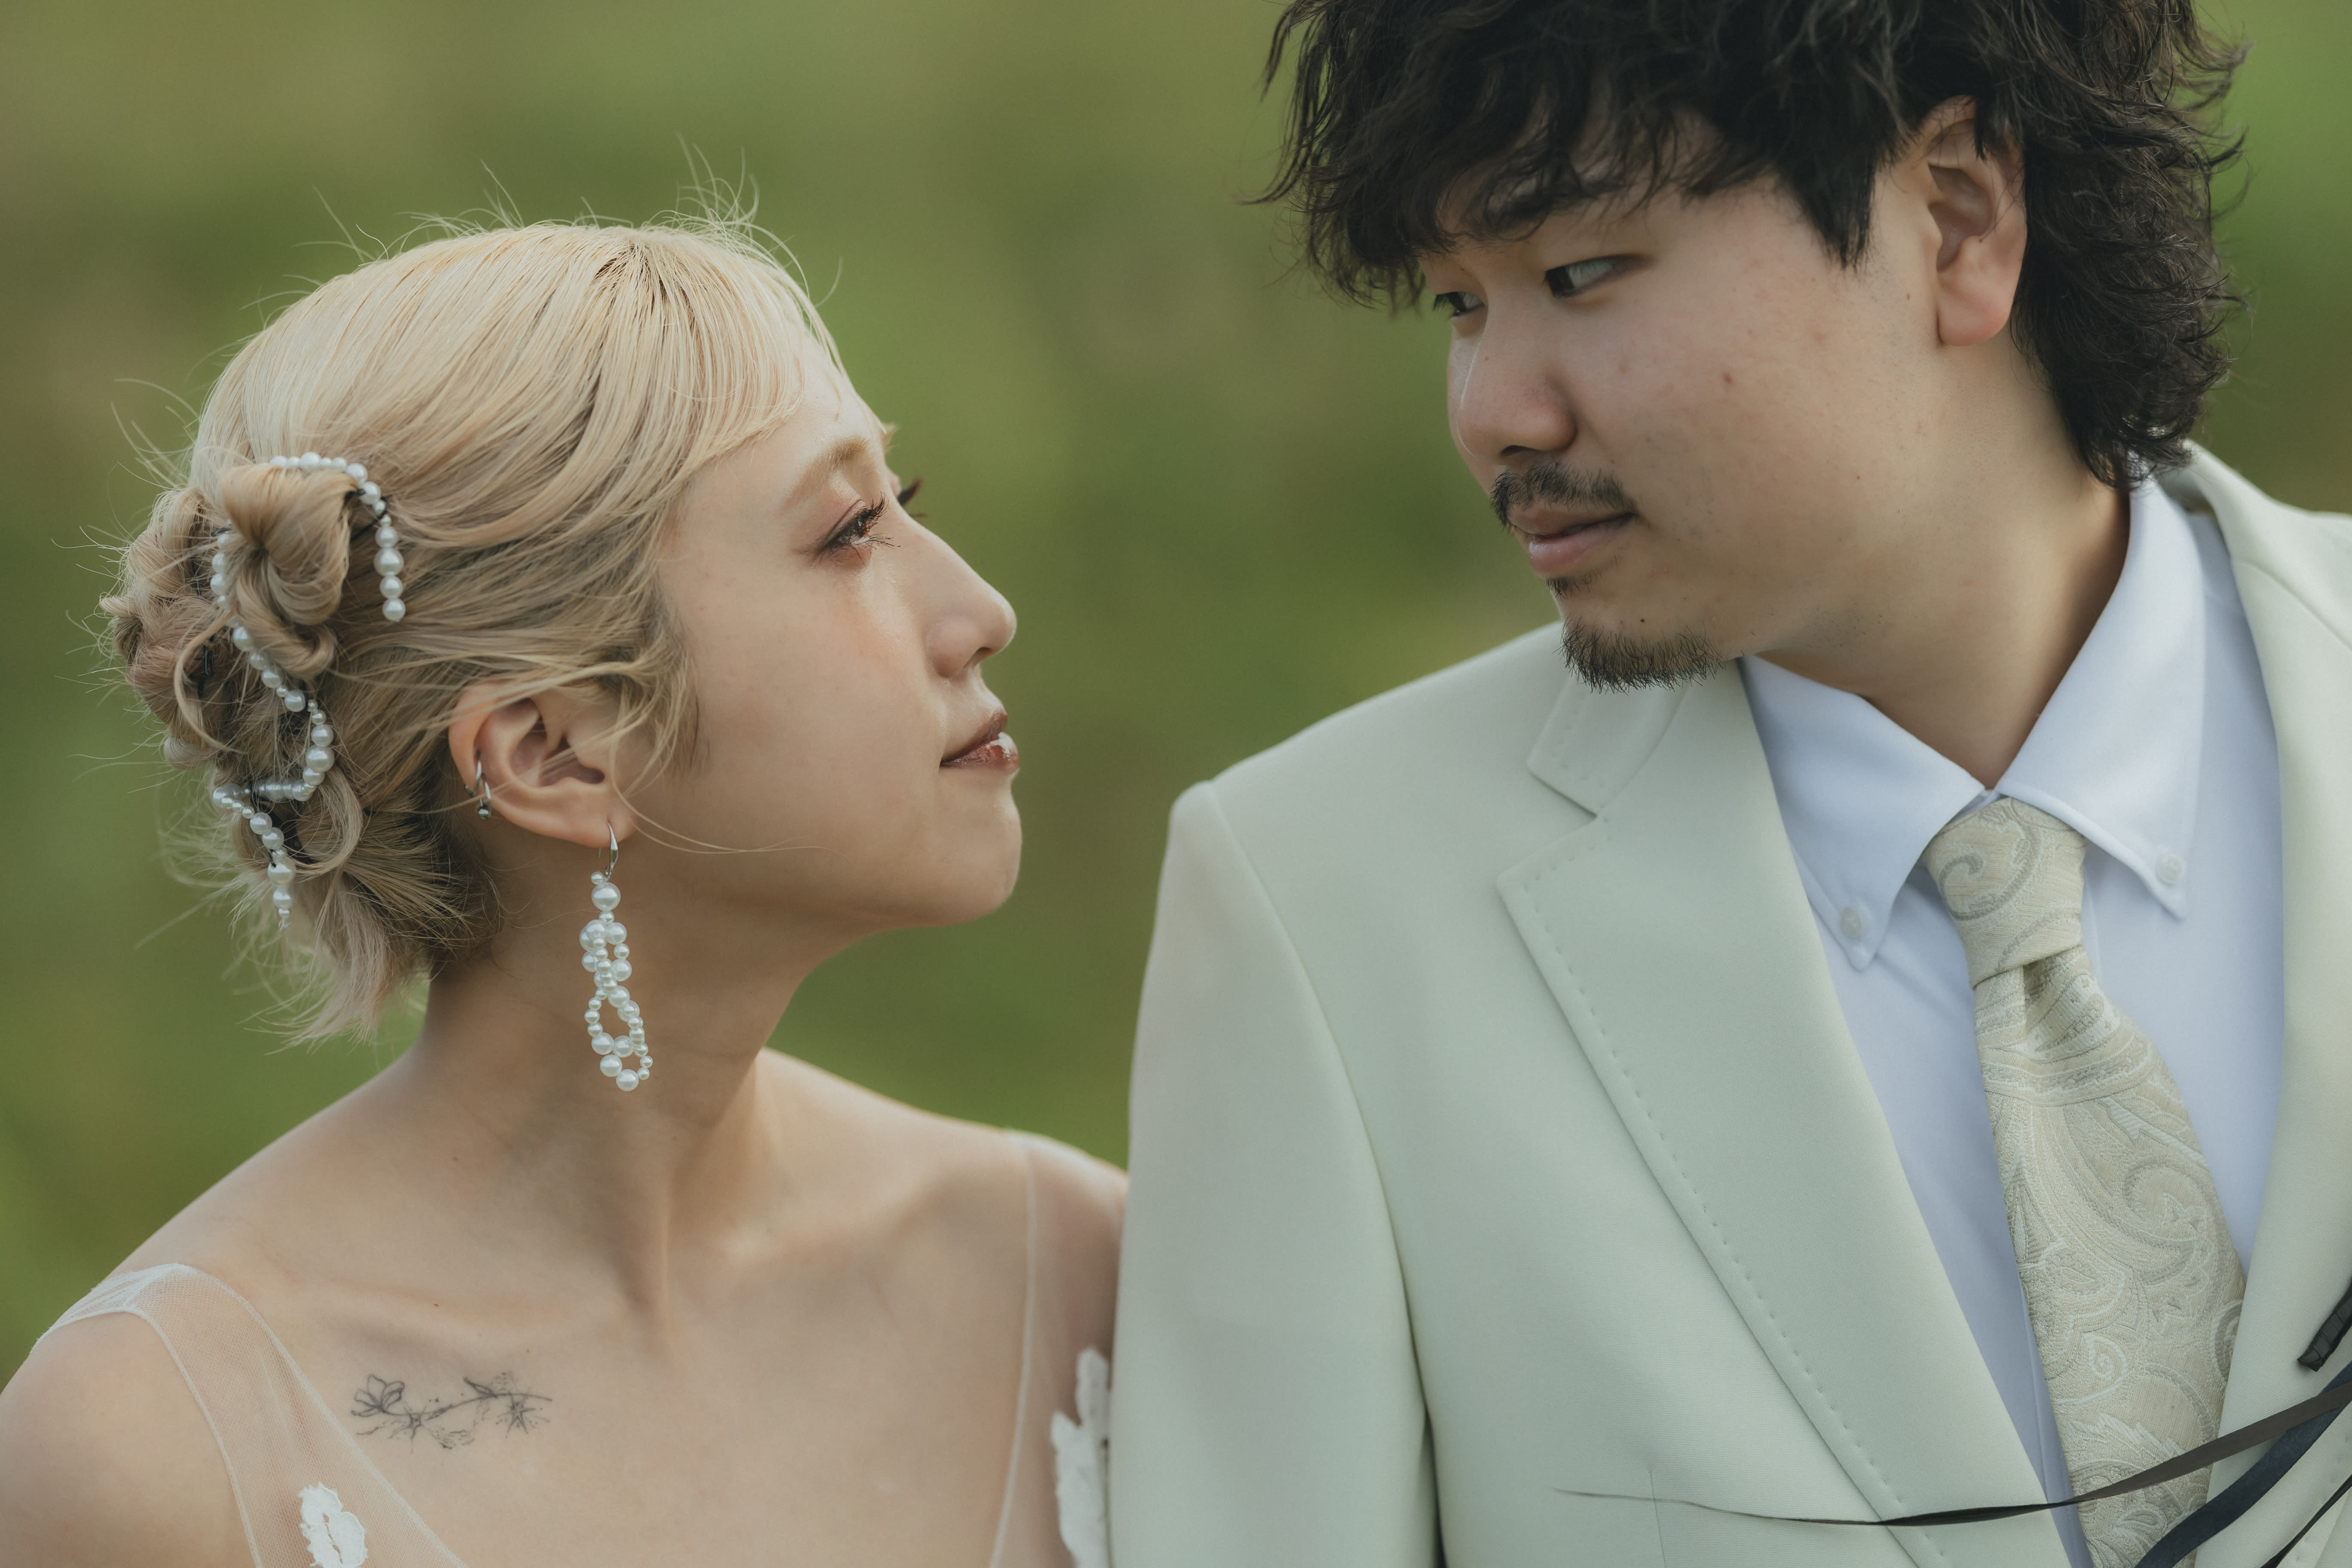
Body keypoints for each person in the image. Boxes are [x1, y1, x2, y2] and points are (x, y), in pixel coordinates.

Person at [1110, 2, 2352, 1565]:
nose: (1493, 413)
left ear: (1957, 215)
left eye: (1580, 273)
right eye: (1459, 305)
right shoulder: (1322, 902)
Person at [0, 217, 1121, 1568]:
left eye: (905, 500)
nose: (982, 611)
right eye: (847, 533)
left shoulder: (1079, 1275)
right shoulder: (154, 1452)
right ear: (554, 755)